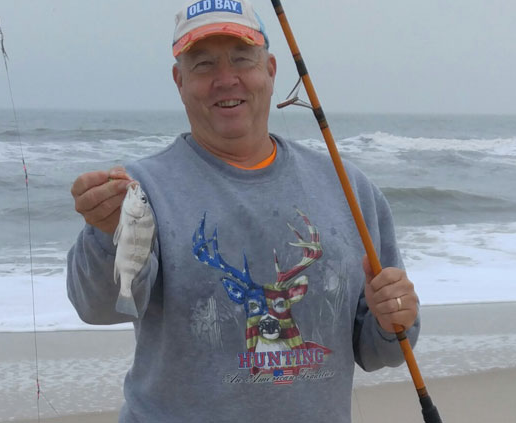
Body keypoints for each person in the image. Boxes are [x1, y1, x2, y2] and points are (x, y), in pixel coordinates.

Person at [67, 1, 420, 421]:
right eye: (203, 65)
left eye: (241, 59)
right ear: (179, 81)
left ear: (270, 71)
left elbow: (377, 349)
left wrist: (395, 318)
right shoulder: (142, 191)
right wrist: (107, 235)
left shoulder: (350, 188)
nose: (225, 79)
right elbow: (99, 308)